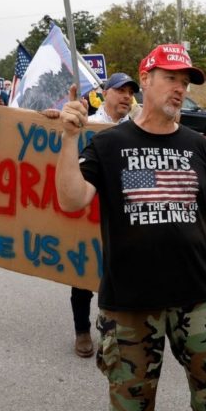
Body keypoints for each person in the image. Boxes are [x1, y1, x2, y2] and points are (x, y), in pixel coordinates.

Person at [55, 43, 206, 411]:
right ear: (145, 80)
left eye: (185, 81)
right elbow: (73, 199)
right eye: (170, 78)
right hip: (129, 304)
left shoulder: (199, 147)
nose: (180, 88)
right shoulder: (110, 144)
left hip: (197, 298)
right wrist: (68, 139)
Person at [66, 71, 141, 359]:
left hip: (120, 214)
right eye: (120, 90)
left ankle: (113, 331)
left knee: (118, 273)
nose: (126, 96)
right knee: (83, 271)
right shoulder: (86, 124)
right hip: (87, 211)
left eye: (130, 92)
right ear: (106, 93)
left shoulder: (137, 129)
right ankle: (82, 330)